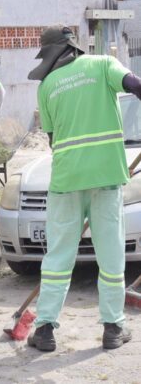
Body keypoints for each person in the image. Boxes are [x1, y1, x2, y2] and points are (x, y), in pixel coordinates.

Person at [26, 26, 141, 352]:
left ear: (50, 54)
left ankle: (45, 329)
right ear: (74, 47)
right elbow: (135, 85)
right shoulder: (104, 65)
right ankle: (113, 328)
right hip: (105, 179)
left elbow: (53, 140)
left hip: (66, 183)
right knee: (110, 257)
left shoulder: (47, 85)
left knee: (58, 258)